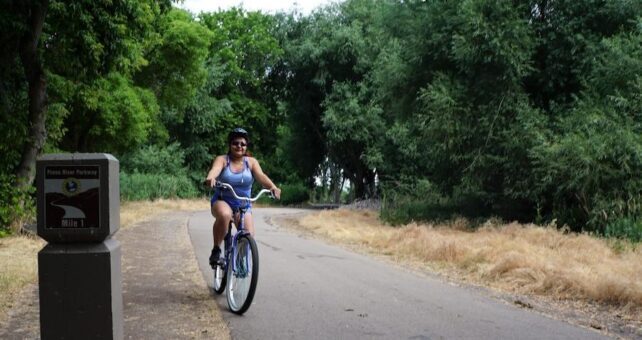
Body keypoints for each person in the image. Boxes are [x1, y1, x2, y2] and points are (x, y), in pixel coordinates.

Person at [204, 128, 281, 268]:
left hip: (243, 204)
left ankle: (237, 261)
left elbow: (261, 176)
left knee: (249, 235)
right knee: (225, 214)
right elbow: (214, 170)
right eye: (235, 143)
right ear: (230, 145)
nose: (239, 146)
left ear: (246, 147)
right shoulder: (223, 160)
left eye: (243, 144)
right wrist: (211, 178)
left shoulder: (251, 162)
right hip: (223, 200)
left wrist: (273, 187)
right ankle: (216, 250)